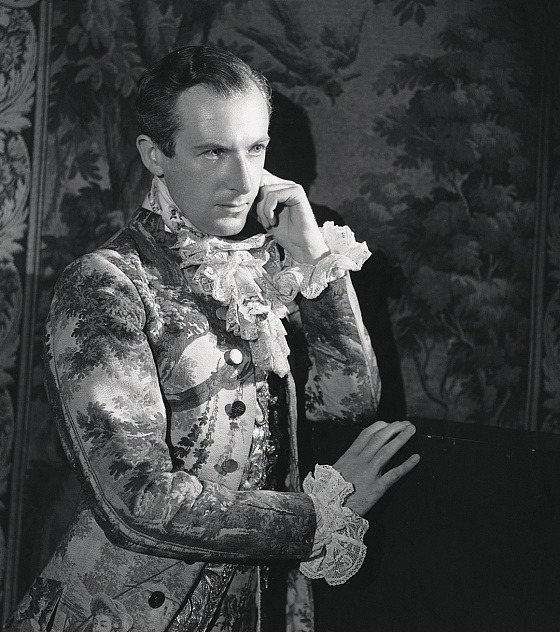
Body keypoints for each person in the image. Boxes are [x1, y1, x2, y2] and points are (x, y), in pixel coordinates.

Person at [6, 45, 419, 632]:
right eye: (213, 152)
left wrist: (313, 261)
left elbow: (348, 402)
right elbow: (137, 501)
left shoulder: (265, 270)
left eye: (256, 149)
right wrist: (316, 515)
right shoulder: (108, 284)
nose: (243, 181)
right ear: (155, 155)